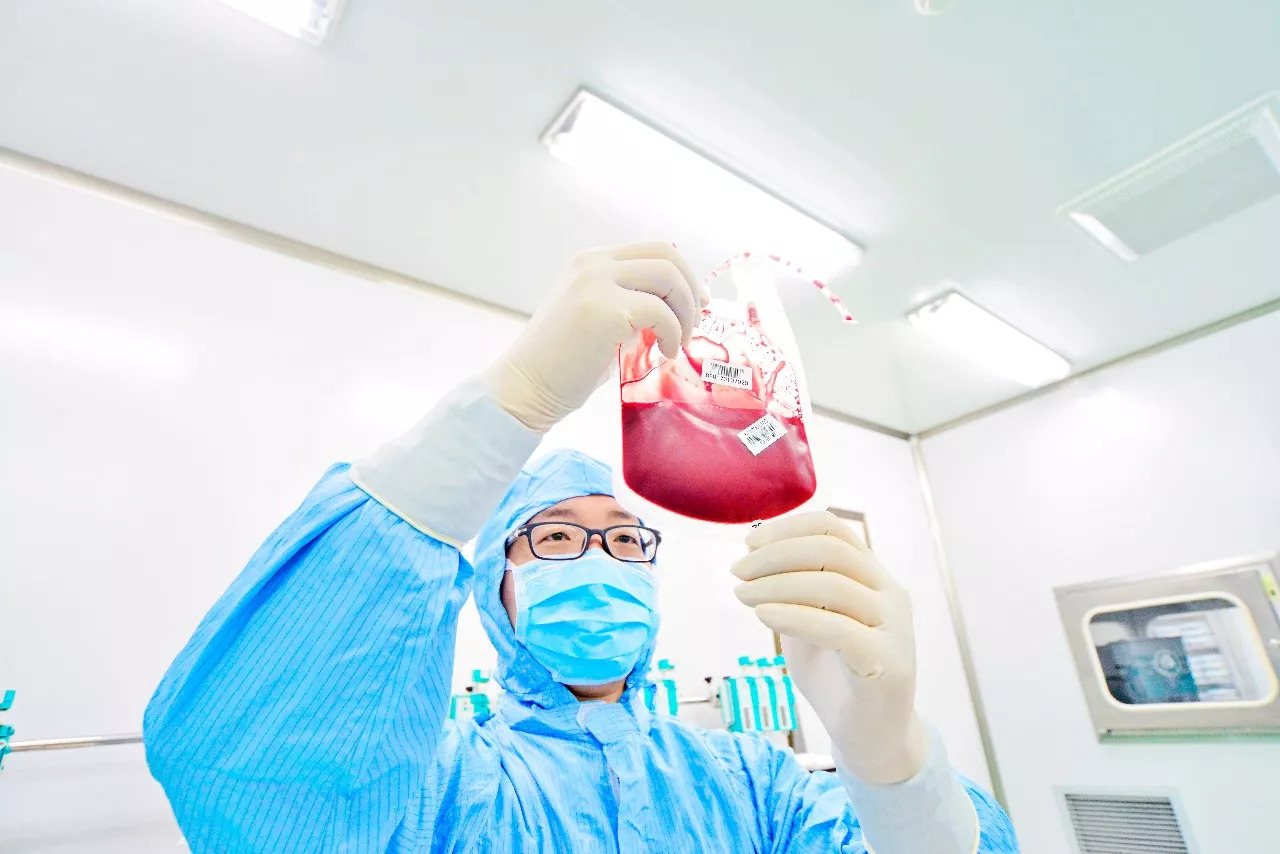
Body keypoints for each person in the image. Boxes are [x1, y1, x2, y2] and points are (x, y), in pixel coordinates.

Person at [144, 242, 1018, 852]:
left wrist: (889, 763)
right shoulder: (441, 789)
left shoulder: (752, 782)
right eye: (557, 538)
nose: (600, 560)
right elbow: (255, 775)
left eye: (625, 540)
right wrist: (507, 404)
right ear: (495, 586)